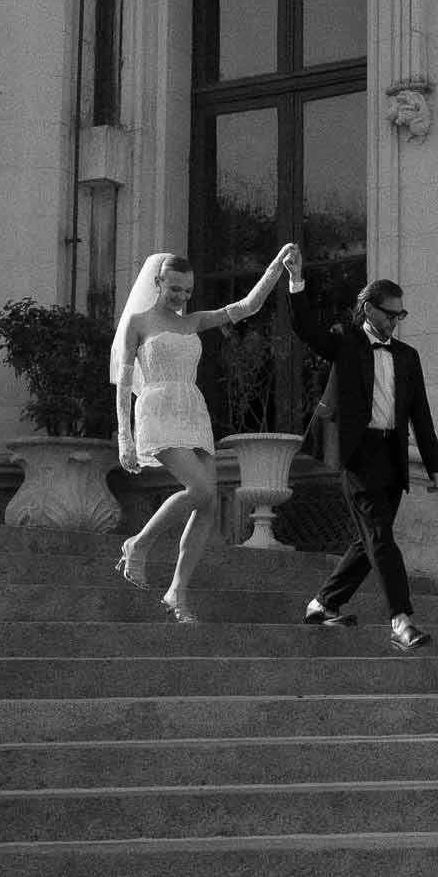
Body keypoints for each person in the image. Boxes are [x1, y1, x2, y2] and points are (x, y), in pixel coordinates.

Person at [111, 245, 297, 622]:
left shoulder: (193, 321)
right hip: (157, 410)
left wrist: (277, 264)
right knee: (200, 490)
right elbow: (123, 383)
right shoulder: (138, 322)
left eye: (186, 291)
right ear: (158, 282)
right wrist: (124, 437)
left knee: (208, 505)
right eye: (174, 288)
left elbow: (247, 307)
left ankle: (176, 593)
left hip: (193, 412)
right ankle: (138, 544)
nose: (180, 297)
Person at [282, 249, 438, 651]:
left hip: (393, 454)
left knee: (369, 539)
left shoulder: (408, 357)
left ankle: (322, 603)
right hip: (358, 453)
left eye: (401, 316)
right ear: (369, 310)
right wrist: (296, 280)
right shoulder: (346, 341)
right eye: (390, 314)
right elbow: (305, 328)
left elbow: (420, 413)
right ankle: (400, 621)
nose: (395, 321)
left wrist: (434, 462)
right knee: (379, 536)